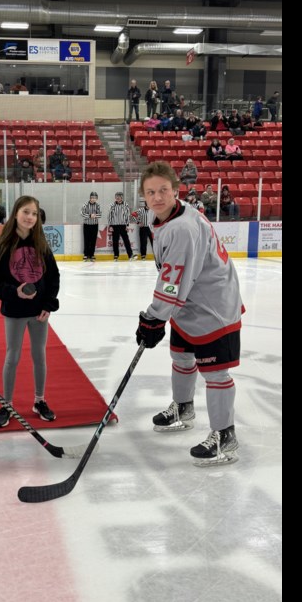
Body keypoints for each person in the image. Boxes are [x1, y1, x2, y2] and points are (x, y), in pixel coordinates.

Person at [135, 161, 244, 467]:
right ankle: (183, 408)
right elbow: (175, 278)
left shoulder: (182, 227)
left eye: (163, 190)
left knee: (215, 373)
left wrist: (154, 317)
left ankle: (225, 436)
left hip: (213, 307)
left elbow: (173, 281)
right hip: (189, 306)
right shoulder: (171, 215)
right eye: (150, 192)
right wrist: (160, 316)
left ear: (176, 190)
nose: (157, 197)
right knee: (182, 358)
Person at [0, 195, 60, 427]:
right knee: (13, 357)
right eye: (26, 212)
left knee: (39, 356)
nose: (30, 217)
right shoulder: (3, 245)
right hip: (15, 311)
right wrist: (13, 292)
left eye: (34, 213)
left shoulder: (41, 244)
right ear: (16, 213)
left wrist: (49, 304)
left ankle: (39, 400)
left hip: (39, 312)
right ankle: (7, 404)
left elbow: (53, 277)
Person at [108, 192, 135, 261]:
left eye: (119, 196)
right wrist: (110, 225)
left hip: (123, 225)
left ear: (122, 197)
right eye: (116, 196)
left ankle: (130, 255)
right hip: (115, 226)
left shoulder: (125, 204)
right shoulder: (112, 205)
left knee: (126, 241)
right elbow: (110, 215)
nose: (117, 197)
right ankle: (116, 256)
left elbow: (127, 215)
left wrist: (127, 225)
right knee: (115, 241)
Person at [80, 191, 101, 262]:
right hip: (87, 225)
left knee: (93, 240)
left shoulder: (98, 205)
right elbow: (82, 214)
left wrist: (94, 216)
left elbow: (100, 215)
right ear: (90, 198)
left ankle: (92, 255)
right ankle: (86, 255)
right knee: (86, 240)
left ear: (97, 199)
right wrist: (89, 215)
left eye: (95, 198)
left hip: (95, 225)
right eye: (92, 197)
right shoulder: (85, 205)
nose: (93, 199)